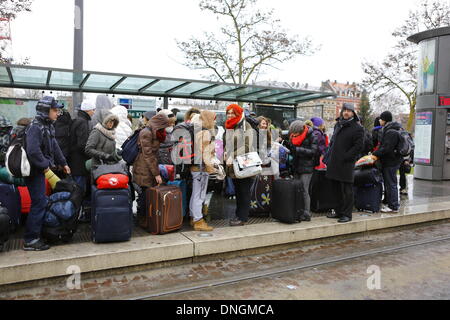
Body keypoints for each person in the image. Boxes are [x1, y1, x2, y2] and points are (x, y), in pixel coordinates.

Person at [23, 97, 71, 251]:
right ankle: (31, 239)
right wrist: (45, 167)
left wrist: (63, 163)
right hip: (34, 171)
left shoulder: (47, 126)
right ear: (45, 111)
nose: (58, 113)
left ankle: (35, 235)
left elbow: (54, 146)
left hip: (39, 170)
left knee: (40, 201)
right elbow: (33, 151)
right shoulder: (35, 126)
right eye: (55, 110)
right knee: (39, 203)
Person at [325, 103, 364, 223]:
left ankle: (347, 214)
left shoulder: (357, 128)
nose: (346, 112)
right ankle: (338, 211)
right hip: (334, 162)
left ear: (353, 113)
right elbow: (333, 142)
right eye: (344, 110)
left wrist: (346, 157)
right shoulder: (338, 124)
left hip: (346, 163)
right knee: (335, 189)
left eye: (349, 111)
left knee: (347, 190)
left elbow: (358, 146)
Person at [132, 113, 171, 221]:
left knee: (148, 193)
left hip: (148, 166)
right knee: (145, 194)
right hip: (143, 167)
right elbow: (148, 154)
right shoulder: (146, 132)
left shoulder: (154, 132)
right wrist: (156, 174)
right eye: (163, 126)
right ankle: (143, 218)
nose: (165, 129)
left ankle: (147, 218)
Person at [223, 104, 255, 226]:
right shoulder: (229, 126)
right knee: (238, 191)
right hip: (233, 165)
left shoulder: (246, 126)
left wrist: (233, 155)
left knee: (244, 191)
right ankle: (238, 215)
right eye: (228, 113)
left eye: (232, 113)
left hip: (243, 163)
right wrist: (226, 153)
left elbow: (247, 146)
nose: (230, 115)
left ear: (238, 113)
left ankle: (242, 218)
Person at [189, 110, 218, 231]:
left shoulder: (197, 129)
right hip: (201, 168)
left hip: (196, 167)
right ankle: (198, 220)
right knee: (199, 195)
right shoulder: (205, 132)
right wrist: (211, 169)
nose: (215, 121)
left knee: (195, 194)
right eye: (214, 118)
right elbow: (205, 153)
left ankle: (193, 217)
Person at [371, 111, 403, 213]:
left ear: (384, 120)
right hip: (391, 160)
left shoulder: (391, 132)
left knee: (391, 184)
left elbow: (386, 148)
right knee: (391, 183)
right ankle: (392, 204)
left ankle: (393, 206)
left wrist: (375, 154)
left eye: (381, 119)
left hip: (391, 161)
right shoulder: (391, 129)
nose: (379, 121)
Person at [286, 120, 318, 222]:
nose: (293, 135)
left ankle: (307, 213)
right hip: (296, 166)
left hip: (307, 168)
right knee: (296, 189)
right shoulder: (293, 136)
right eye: (292, 134)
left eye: (295, 133)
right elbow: (294, 149)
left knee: (304, 190)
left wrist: (298, 149)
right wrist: (289, 147)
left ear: (301, 130)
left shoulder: (312, 135)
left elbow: (313, 152)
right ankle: (297, 211)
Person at [68, 100, 96, 212]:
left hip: (73, 161)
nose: (94, 112)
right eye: (93, 110)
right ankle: (76, 214)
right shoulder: (83, 122)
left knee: (75, 189)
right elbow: (82, 144)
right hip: (79, 163)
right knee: (79, 190)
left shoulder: (76, 120)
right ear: (88, 110)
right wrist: (91, 153)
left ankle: (74, 213)